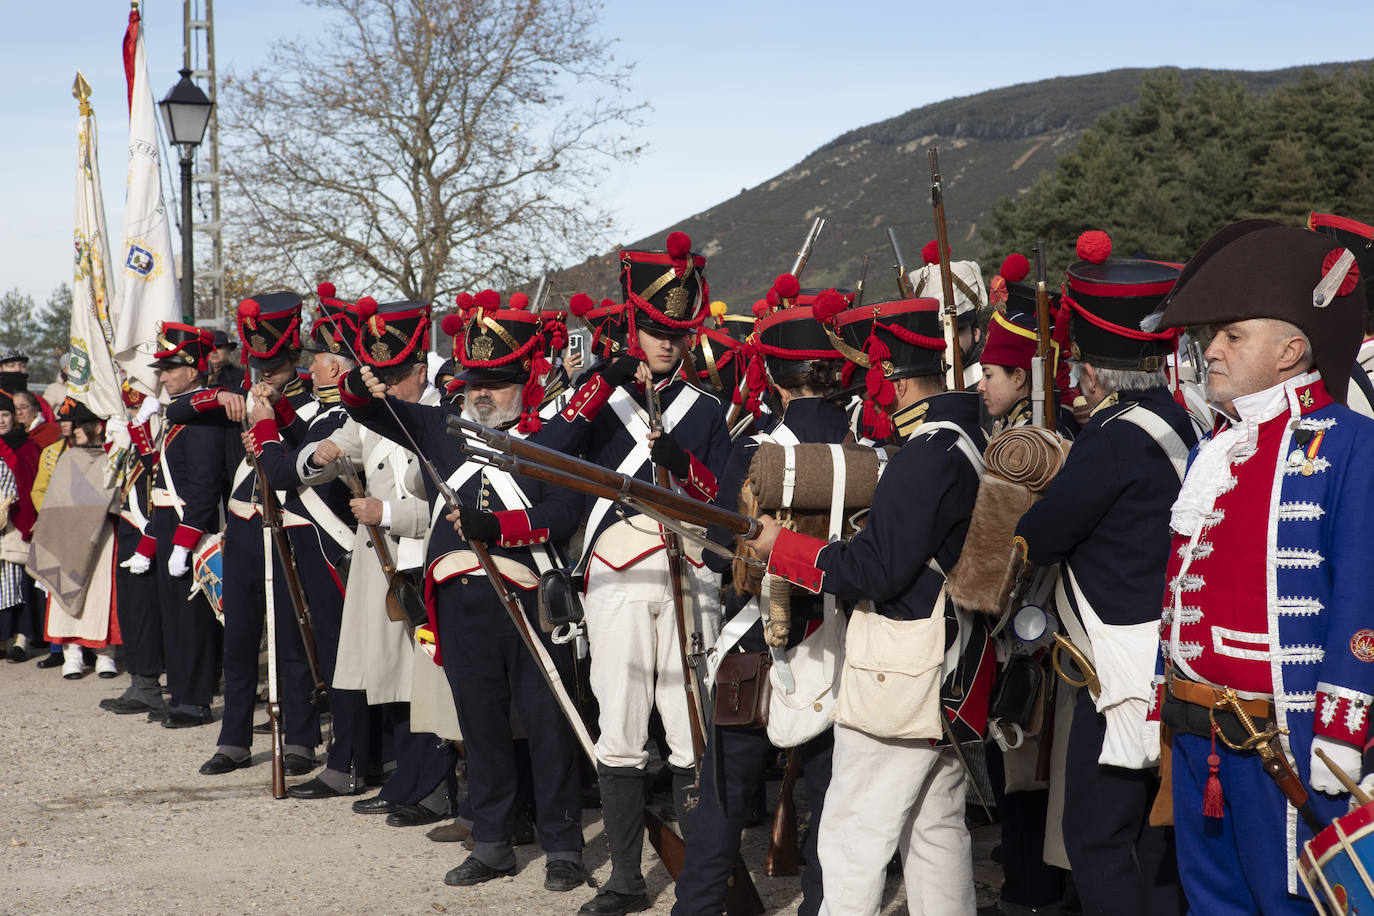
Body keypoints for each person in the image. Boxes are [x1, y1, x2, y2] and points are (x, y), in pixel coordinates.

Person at [1151, 220, 1374, 914]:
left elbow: (1364, 592)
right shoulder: (1212, 451)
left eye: (1232, 336)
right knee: (1211, 901)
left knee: (1290, 903)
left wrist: (1342, 728)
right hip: (1197, 734)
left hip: (1286, 739)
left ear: (1290, 351)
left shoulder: (1349, 443)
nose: (1210, 351)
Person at [746, 294, 991, 916]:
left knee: (852, 839)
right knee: (935, 834)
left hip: (902, 666)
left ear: (890, 376)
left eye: (870, 378)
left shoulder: (926, 455)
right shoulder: (962, 437)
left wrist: (783, 547)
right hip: (947, 661)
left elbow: (873, 571)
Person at [342, 290, 588, 891]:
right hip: (459, 601)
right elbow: (367, 411)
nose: (482, 391)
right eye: (475, 378)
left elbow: (563, 510)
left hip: (529, 596)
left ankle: (563, 848)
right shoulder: (436, 425)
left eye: (498, 380)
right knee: (479, 727)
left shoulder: (550, 435)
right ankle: (494, 841)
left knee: (547, 727)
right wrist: (360, 378)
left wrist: (498, 527)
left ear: (525, 380)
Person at [537, 232, 730, 916]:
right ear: (632, 324)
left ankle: (701, 879)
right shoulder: (597, 395)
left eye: (676, 333)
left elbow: (722, 501)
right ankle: (624, 879)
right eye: (654, 330)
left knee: (689, 734)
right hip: (615, 577)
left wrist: (681, 461)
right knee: (619, 732)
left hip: (685, 576)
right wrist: (599, 388)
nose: (665, 344)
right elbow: (543, 455)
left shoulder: (705, 410)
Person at [1014, 231, 1193, 916]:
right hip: (1166, 652)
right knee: (1152, 835)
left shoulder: (1112, 440)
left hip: (1114, 665)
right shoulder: (1180, 415)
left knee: (1092, 837)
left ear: (1090, 372)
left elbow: (1040, 537)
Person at [672, 284, 849, 916]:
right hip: (842, 638)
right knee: (832, 798)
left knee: (723, 796)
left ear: (773, 376)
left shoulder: (752, 449)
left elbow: (723, 536)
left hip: (757, 635)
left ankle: (694, 908)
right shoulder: (874, 447)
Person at [294, 297, 459, 821]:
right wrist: (314, 456)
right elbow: (333, 449)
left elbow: (445, 500)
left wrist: (387, 510)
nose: (384, 387)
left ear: (417, 368)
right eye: (377, 375)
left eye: (394, 375)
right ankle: (408, 781)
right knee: (397, 681)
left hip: (421, 557)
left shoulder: (441, 413)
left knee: (427, 680)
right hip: (383, 565)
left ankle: (433, 787)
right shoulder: (374, 414)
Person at [166, 293, 322, 775]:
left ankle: (300, 738)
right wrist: (221, 396)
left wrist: (276, 414)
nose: (265, 374)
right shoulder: (237, 392)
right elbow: (177, 411)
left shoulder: (311, 401)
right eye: (259, 364)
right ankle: (233, 737)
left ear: (294, 358)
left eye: (273, 365)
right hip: (244, 527)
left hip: (292, 527)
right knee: (238, 638)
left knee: (292, 637)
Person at [142, 322, 232, 727]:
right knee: (173, 616)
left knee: (191, 619)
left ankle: (194, 701)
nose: (162, 376)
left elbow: (202, 484)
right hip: (167, 522)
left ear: (193, 369)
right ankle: (180, 692)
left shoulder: (202, 417)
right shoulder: (182, 413)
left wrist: (185, 541)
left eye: (170, 368)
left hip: (186, 527)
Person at [34, 397, 120, 679]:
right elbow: (54, 504)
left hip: (103, 537)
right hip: (67, 538)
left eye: (82, 425)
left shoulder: (112, 458)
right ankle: (72, 653)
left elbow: (118, 498)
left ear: (97, 427)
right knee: (65, 590)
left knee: (101, 594)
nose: (76, 430)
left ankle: (105, 655)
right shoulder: (68, 457)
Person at [100, 383, 170, 718]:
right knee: (131, 612)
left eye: (136, 411)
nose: (130, 418)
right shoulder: (132, 446)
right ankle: (139, 680)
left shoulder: (156, 449)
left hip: (148, 538)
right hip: (130, 532)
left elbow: (158, 489)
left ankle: (148, 686)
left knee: (144, 615)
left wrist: (147, 543)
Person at [0, 388, 42, 662]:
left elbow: (32, 483)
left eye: (5, 414)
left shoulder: (26, 445)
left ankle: (21, 638)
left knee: (19, 581)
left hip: (18, 523)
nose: (1, 420)